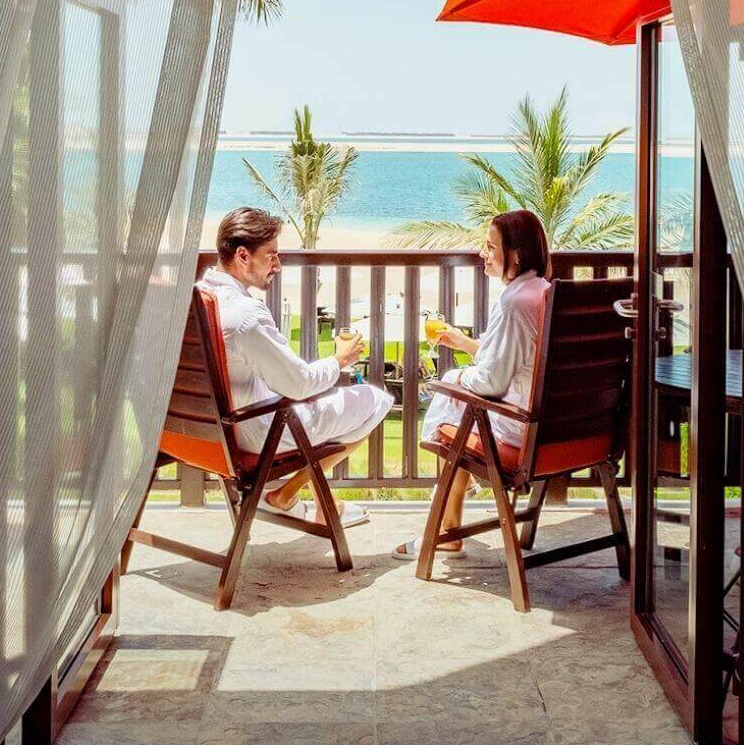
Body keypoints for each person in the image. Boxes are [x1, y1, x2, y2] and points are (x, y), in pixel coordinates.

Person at [201, 207, 390, 528]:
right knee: (375, 400)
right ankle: (286, 494)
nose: (277, 265)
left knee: (324, 402)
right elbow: (299, 384)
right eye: (271, 255)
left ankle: (317, 505)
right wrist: (339, 360)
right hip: (259, 432)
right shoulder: (245, 315)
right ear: (243, 256)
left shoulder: (201, 297)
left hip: (211, 433)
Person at [395, 209, 550, 559]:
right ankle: (452, 514)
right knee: (460, 404)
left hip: (521, 434)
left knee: (453, 409)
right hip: (559, 431)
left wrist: (456, 378)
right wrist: (465, 344)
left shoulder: (514, 303)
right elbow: (516, 360)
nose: (483, 253)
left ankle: (447, 529)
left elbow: (493, 382)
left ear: (517, 255)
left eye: (491, 246)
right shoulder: (541, 292)